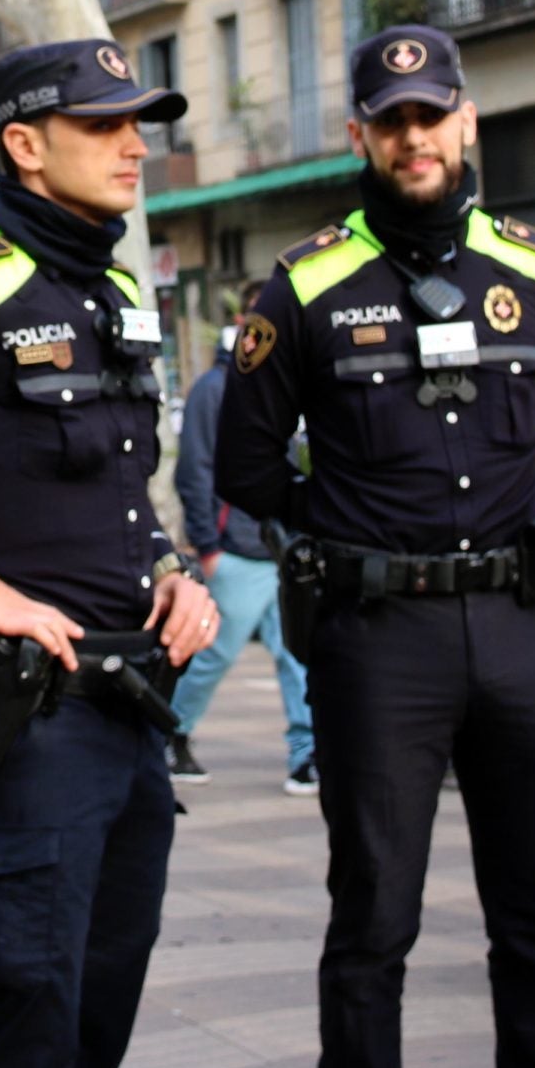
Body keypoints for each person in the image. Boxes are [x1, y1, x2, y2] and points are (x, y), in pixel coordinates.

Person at [216, 23, 535, 1068]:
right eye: (389, 122)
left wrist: (508, 515)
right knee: (373, 923)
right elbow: (248, 469)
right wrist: (351, 530)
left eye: (429, 115)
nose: (413, 139)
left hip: (521, 623)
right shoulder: (299, 286)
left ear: (465, 122)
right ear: (359, 135)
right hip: (376, 638)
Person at [0, 39, 218, 1068]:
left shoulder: (121, 293)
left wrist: (172, 572)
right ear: (25, 145)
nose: (135, 145)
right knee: (25, 1018)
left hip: (134, 708)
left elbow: (115, 490)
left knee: (100, 1005)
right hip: (28, 717)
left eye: (138, 122)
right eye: (102, 125)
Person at [168, 309, 316, 793]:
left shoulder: (286, 381)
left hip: (281, 549)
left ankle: (305, 751)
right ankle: (170, 731)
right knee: (213, 653)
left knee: (296, 655)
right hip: (235, 549)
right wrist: (208, 544)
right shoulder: (215, 388)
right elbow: (194, 469)